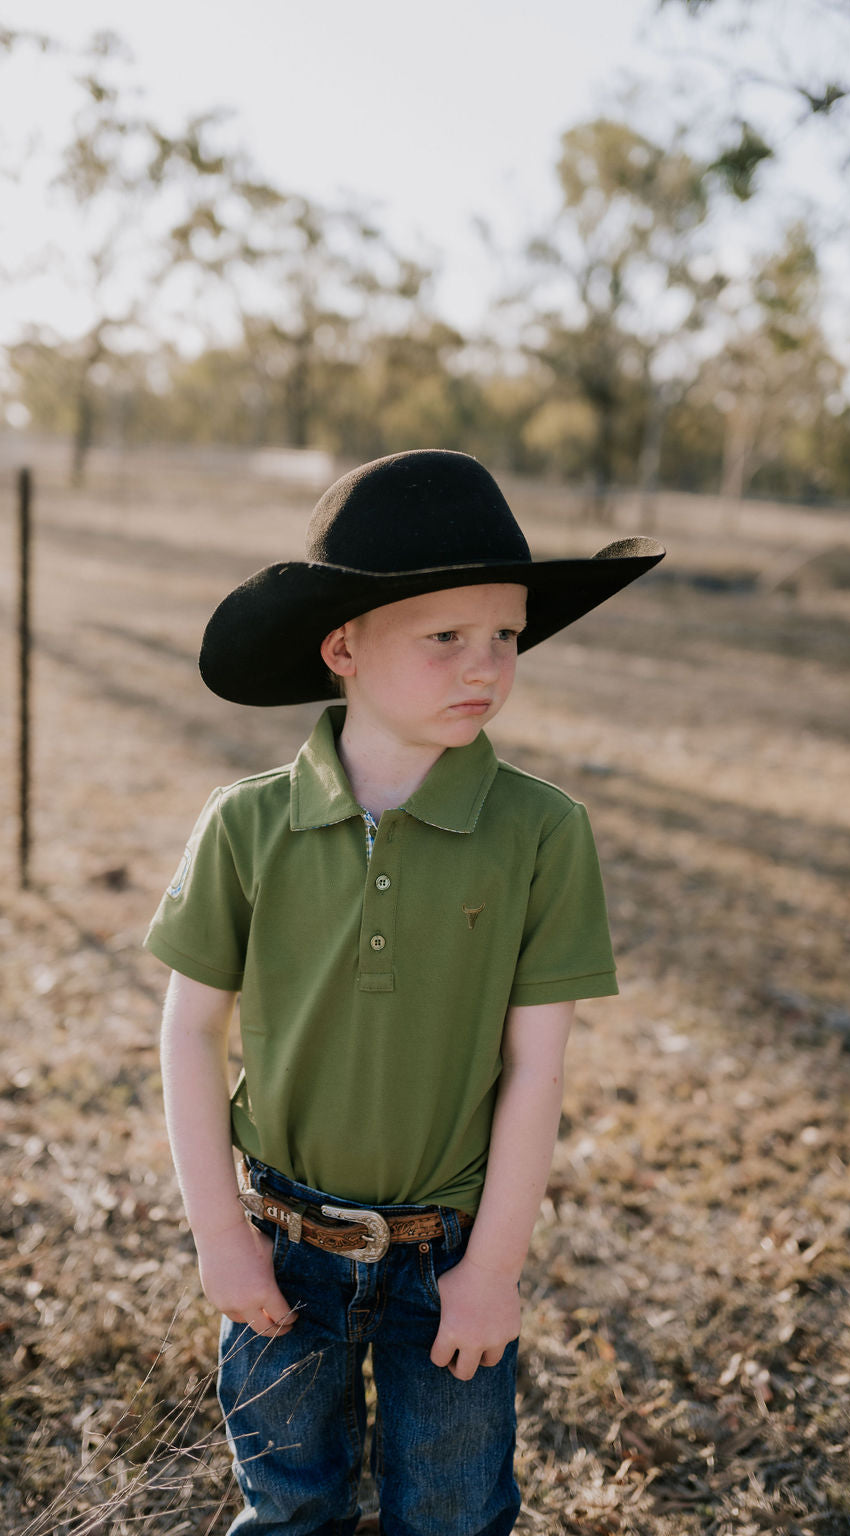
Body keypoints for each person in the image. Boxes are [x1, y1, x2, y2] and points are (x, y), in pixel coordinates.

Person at [145, 449, 664, 1536]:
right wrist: (217, 1235)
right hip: (282, 1239)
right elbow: (191, 1034)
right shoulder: (247, 824)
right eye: (445, 637)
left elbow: (536, 1066)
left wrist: (495, 1270)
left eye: (506, 637)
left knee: (453, 1512)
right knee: (289, 1509)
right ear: (344, 645)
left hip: (450, 1254)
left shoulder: (540, 831)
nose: (486, 665)